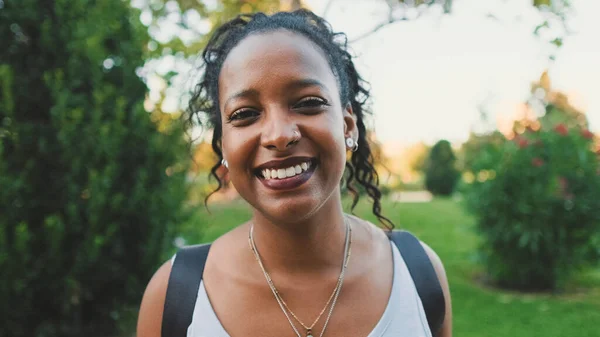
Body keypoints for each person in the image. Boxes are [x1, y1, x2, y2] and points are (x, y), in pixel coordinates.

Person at [137, 9, 452, 337]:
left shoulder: (418, 275)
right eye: (245, 113)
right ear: (224, 145)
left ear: (348, 126)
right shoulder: (174, 298)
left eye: (308, 103)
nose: (278, 135)